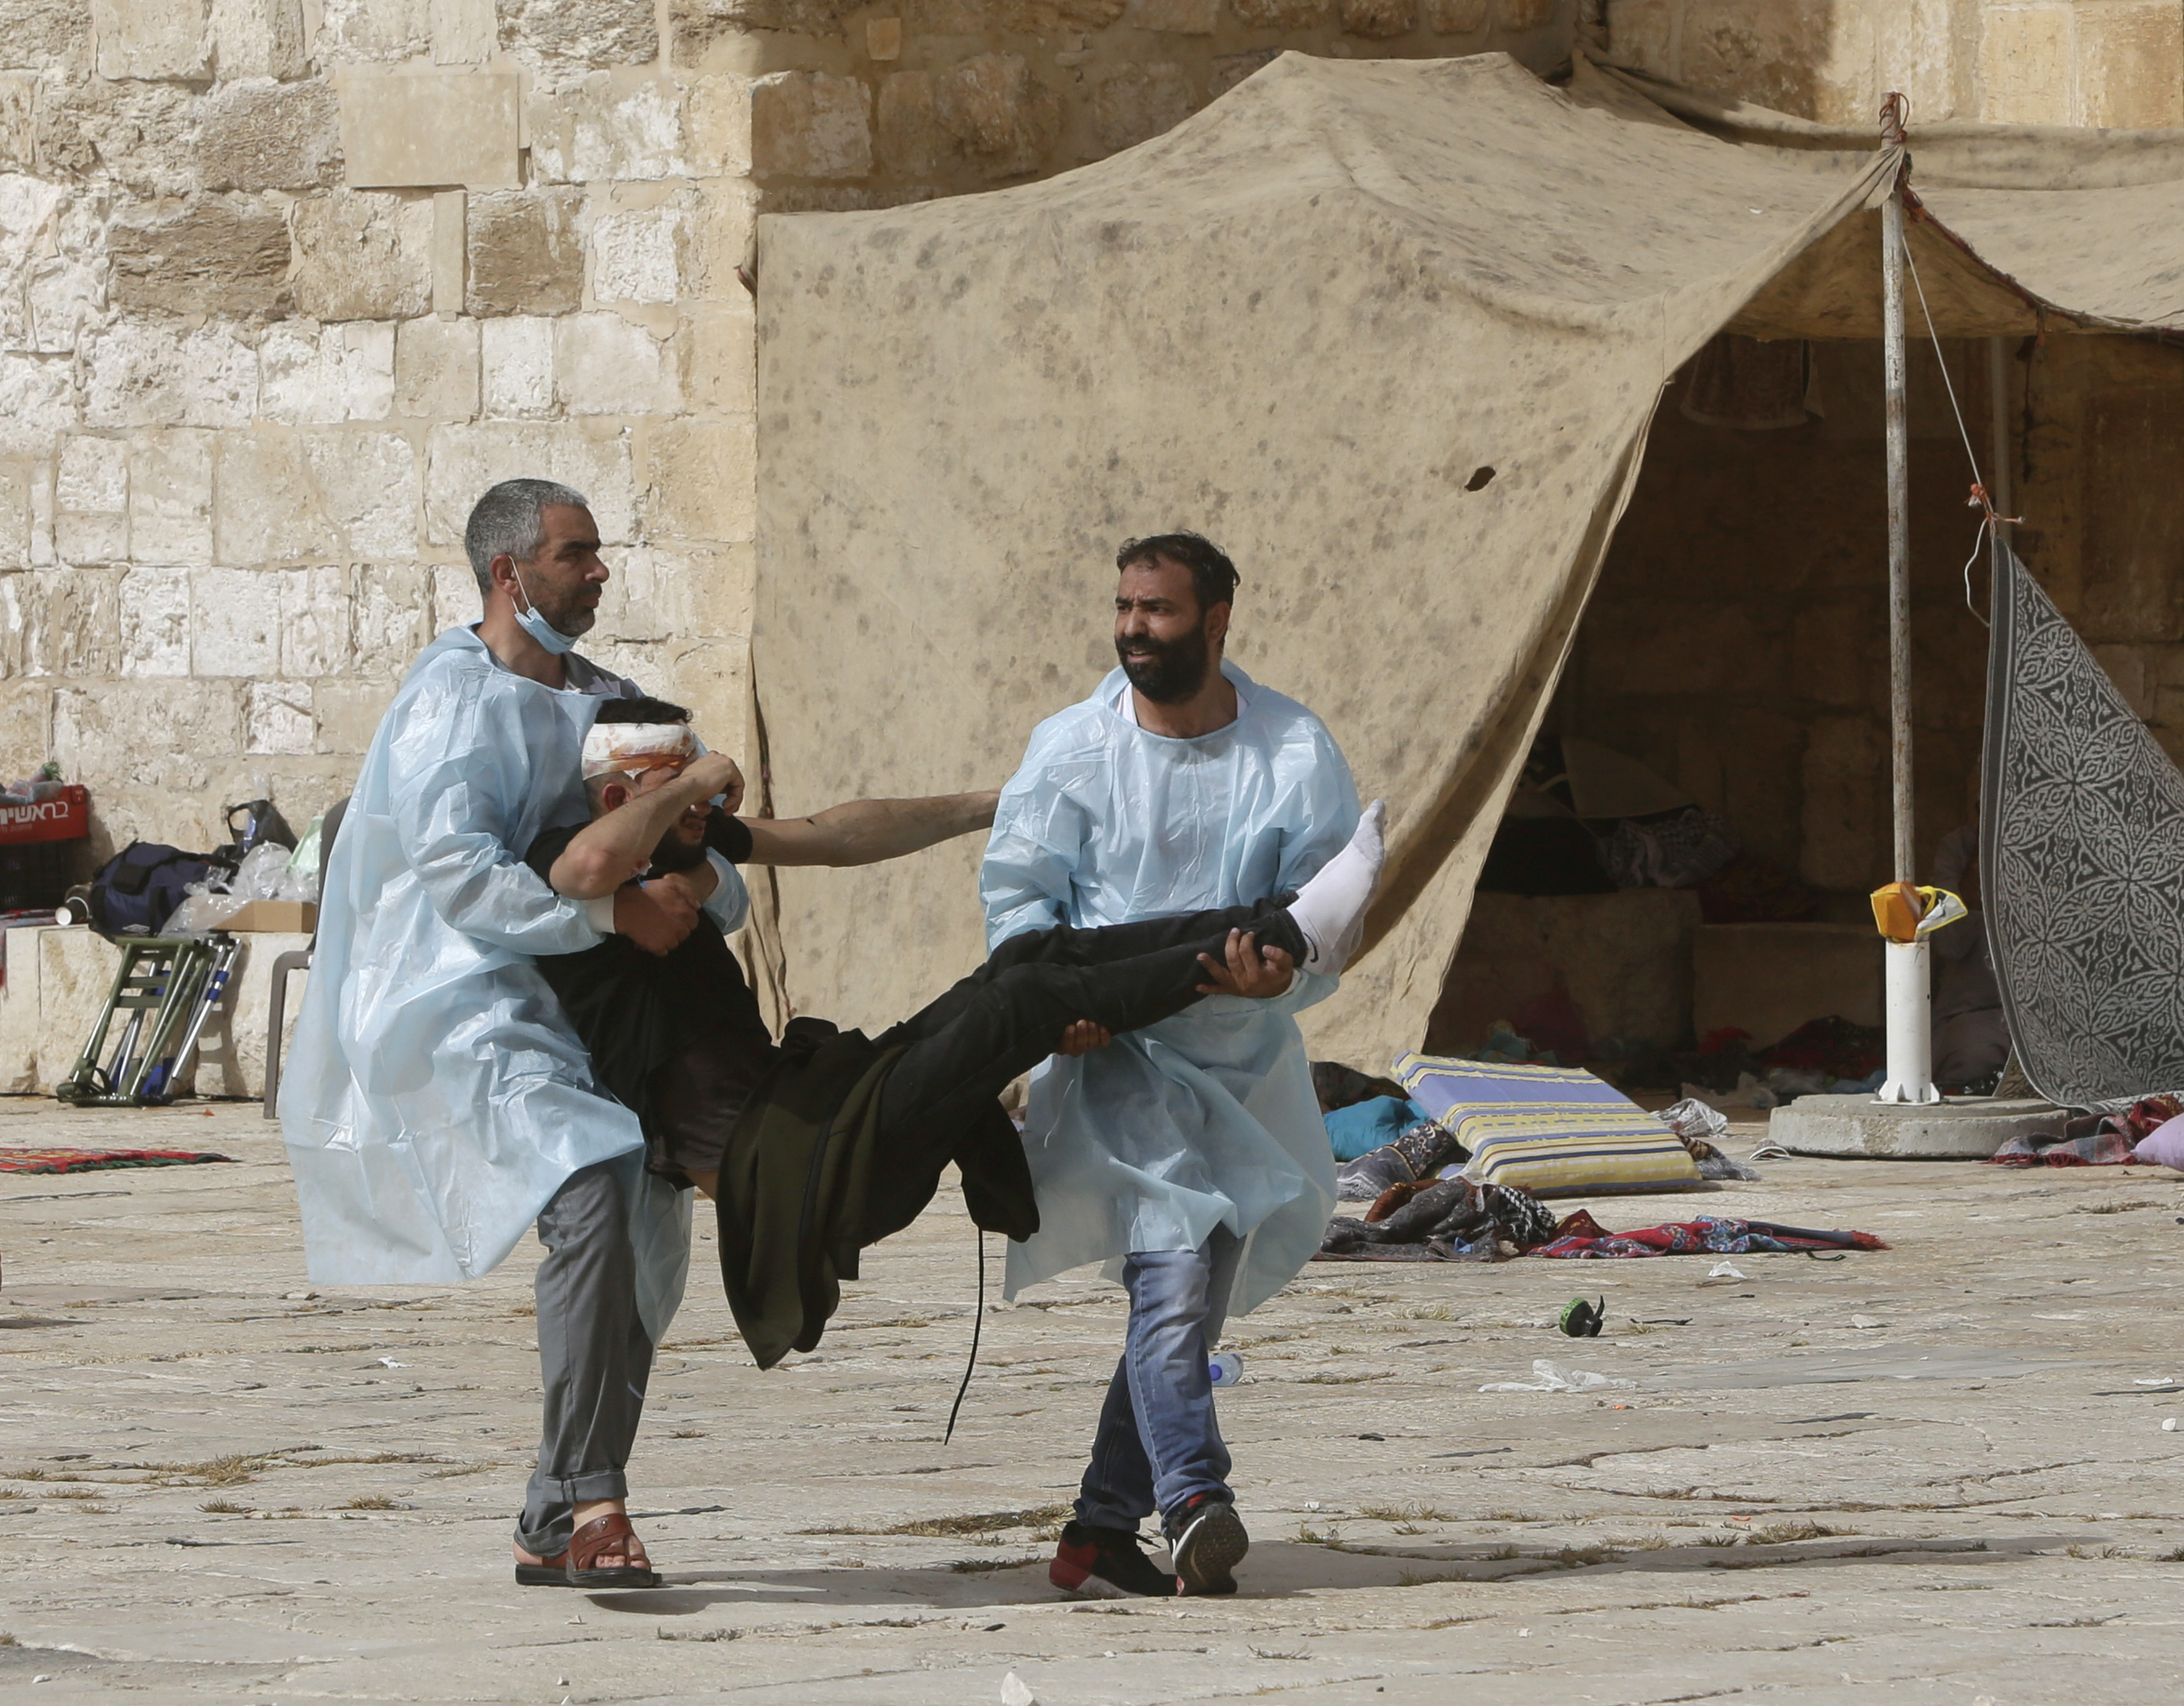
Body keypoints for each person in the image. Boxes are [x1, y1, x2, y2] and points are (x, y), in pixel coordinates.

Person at [281, 478, 995, 1591]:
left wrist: (692, 878)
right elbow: (461, 877)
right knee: (592, 1174)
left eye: (599, 550)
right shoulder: (448, 702)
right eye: (576, 554)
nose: (601, 570)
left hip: (615, 1015)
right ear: (510, 574)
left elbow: (717, 871)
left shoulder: (620, 708)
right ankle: (595, 1505)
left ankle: (551, 1507)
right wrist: (610, 907)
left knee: (639, 1257)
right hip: (469, 998)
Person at [524, 695, 1384, 1372]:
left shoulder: (680, 853)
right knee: (1019, 1007)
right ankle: (1287, 936)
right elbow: (591, 866)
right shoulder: (565, 868)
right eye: (672, 781)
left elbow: (838, 835)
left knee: (1029, 962)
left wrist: (1000, 803)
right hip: (787, 1171)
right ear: (613, 796)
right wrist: (691, 779)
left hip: (818, 1112)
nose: (705, 799)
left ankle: (1282, 927)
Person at [982, 532, 1375, 1600]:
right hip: (1120, 1061)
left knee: (1194, 1296)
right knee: (1169, 1271)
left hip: (1242, 1062)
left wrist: (1275, 981)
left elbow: (1324, 910)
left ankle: (1099, 1528)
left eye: (1155, 610)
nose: (1131, 630)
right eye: (1122, 607)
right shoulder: (1069, 746)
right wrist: (1053, 1004)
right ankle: (1197, 1496)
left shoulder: (1292, 749)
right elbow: (1018, 897)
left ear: (1214, 620)